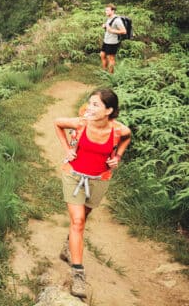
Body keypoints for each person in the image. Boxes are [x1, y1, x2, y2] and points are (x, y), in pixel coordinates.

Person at [54, 89, 131, 298]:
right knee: (78, 221)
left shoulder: (117, 130)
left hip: (99, 180)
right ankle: (78, 274)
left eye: (96, 105)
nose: (90, 108)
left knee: (83, 218)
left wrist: (119, 156)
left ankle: (68, 246)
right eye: (90, 103)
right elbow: (58, 123)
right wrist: (66, 150)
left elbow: (128, 136)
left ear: (109, 110)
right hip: (73, 176)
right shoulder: (80, 123)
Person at [100, 4, 127, 73]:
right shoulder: (109, 18)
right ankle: (104, 71)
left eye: (107, 10)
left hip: (113, 42)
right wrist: (105, 26)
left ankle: (111, 75)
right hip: (106, 41)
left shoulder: (117, 20)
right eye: (105, 10)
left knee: (110, 58)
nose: (105, 11)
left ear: (113, 11)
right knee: (102, 55)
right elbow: (109, 27)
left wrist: (111, 30)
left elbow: (124, 31)